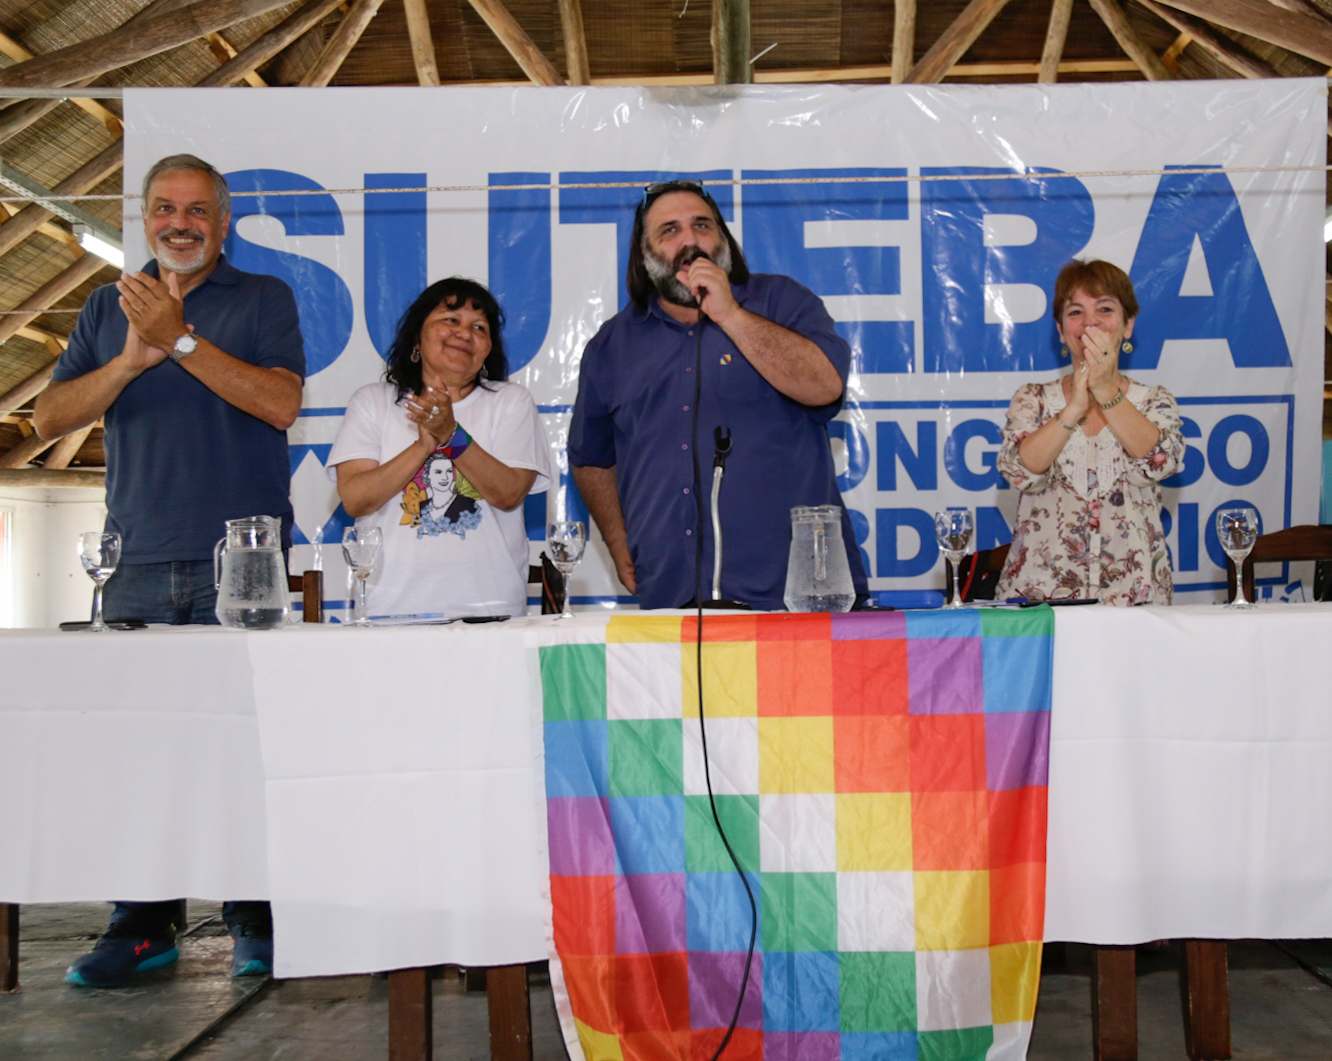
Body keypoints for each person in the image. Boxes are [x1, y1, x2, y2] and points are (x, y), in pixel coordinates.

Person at [32, 154, 305, 987]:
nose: (178, 224)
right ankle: (144, 923)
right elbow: (46, 417)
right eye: (163, 208)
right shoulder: (104, 307)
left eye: (195, 210)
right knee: (141, 750)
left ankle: (255, 913)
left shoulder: (263, 297)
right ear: (144, 217)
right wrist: (129, 360)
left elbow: (280, 403)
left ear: (223, 223)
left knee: (244, 744)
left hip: (245, 568)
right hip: (137, 562)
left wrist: (179, 340)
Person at [568, 179, 866, 610]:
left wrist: (729, 313)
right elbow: (591, 458)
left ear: (722, 239)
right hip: (673, 595)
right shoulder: (612, 344)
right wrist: (617, 539)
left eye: (702, 226)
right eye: (669, 230)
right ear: (645, 253)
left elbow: (824, 386)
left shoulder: (782, 301)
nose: (690, 241)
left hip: (795, 594)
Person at [329, 278, 553, 617]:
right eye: (451, 319)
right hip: (389, 612)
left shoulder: (510, 401)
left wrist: (452, 435)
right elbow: (356, 499)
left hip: (490, 611)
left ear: (488, 349)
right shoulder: (373, 402)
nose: (464, 333)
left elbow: (509, 494)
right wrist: (423, 446)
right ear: (417, 338)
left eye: (479, 327)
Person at [994, 259, 1184, 604]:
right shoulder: (1033, 399)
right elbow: (1018, 471)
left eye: (1105, 309)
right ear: (1061, 329)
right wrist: (1074, 409)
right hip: (1041, 601)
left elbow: (1162, 462)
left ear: (1128, 325)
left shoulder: (1153, 401)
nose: (1090, 322)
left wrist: (1107, 391)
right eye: (1075, 312)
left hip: (1135, 600)